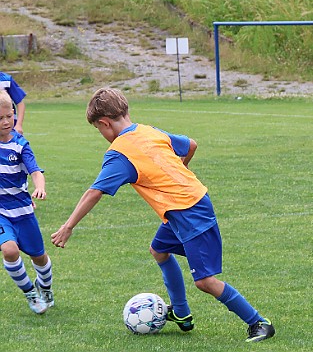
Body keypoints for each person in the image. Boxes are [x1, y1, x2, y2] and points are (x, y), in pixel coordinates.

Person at [51, 87, 275, 343]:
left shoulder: (119, 154)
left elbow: (94, 192)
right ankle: (181, 313)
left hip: (190, 212)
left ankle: (258, 322)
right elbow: (190, 144)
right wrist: (181, 169)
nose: (101, 134)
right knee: (159, 250)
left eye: (98, 129)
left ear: (104, 123)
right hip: (187, 206)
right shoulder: (148, 131)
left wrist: (68, 226)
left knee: (204, 281)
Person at [0, 90, 54, 314]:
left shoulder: (21, 145)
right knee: (10, 250)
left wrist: (39, 187)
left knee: (39, 256)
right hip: (2, 212)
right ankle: (31, 294)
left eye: (9, 116)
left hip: (23, 210)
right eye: (0, 118)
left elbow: (35, 171)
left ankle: (46, 289)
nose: (6, 122)